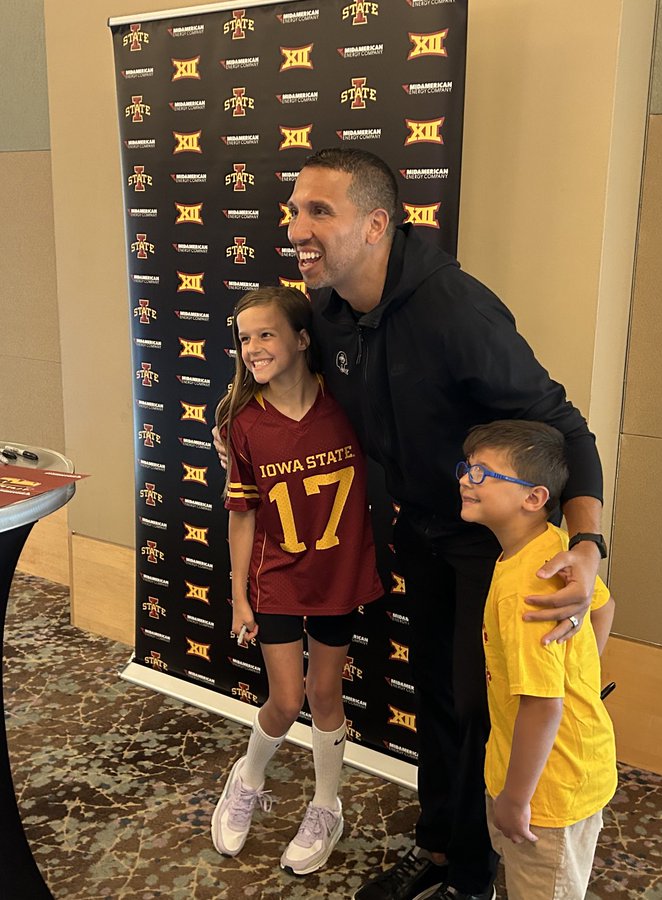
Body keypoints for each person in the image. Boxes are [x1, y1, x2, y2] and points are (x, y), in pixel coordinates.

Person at [216, 149, 605, 899]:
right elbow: (279, 373)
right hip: (420, 534)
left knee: (475, 702)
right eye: (294, 210)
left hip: (493, 549)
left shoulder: (457, 311)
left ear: (376, 224)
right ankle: (440, 852)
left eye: (317, 212)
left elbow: (568, 432)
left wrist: (589, 548)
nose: (296, 227)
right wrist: (237, 420)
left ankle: (474, 871)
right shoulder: (326, 313)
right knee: (434, 699)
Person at [210, 286, 386, 876]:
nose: (253, 348)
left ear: (302, 338)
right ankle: (248, 777)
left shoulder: (347, 405)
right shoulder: (243, 422)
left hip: (338, 572)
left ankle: (325, 804)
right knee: (286, 699)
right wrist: (238, 596)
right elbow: (243, 514)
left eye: (267, 334)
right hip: (277, 574)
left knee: (326, 695)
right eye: (244, 338)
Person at [458, 420, 615, 899]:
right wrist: (579, 674)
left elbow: (544, 705)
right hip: (545, 773)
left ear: (533, 497)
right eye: (466, 467)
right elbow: (604, 606)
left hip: (547, 796)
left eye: (484, 473)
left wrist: (516, 799)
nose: (465, 479)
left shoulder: (529, 585)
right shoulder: (554, 548)